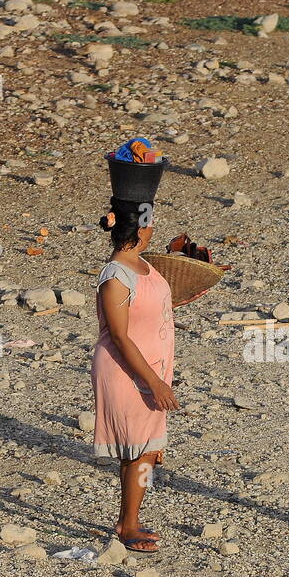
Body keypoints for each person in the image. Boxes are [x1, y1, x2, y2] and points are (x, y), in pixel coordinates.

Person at [92, 199, 179, 553]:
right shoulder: (116, 276)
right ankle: (127, 524)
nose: (154, 228)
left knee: (146, 448)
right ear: (141, 229)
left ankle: (131, 518)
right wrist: (154, 383)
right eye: (151, 223)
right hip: (126, 372)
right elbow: (119, 336)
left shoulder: (143, 265)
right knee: (139, 450)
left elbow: (150, 304)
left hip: (152, 369)